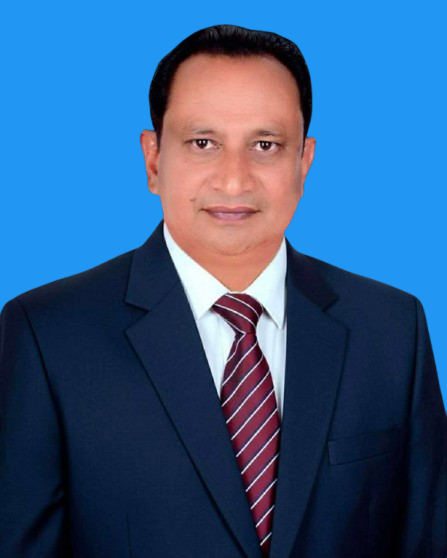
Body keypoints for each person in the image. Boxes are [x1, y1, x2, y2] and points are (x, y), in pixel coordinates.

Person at [0, 24, 445, 558]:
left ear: (303, 162)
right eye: (203, 143)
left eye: (265, 145)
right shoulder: (47, 334)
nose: (234, 181)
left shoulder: (392, 327)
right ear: (153, 159)